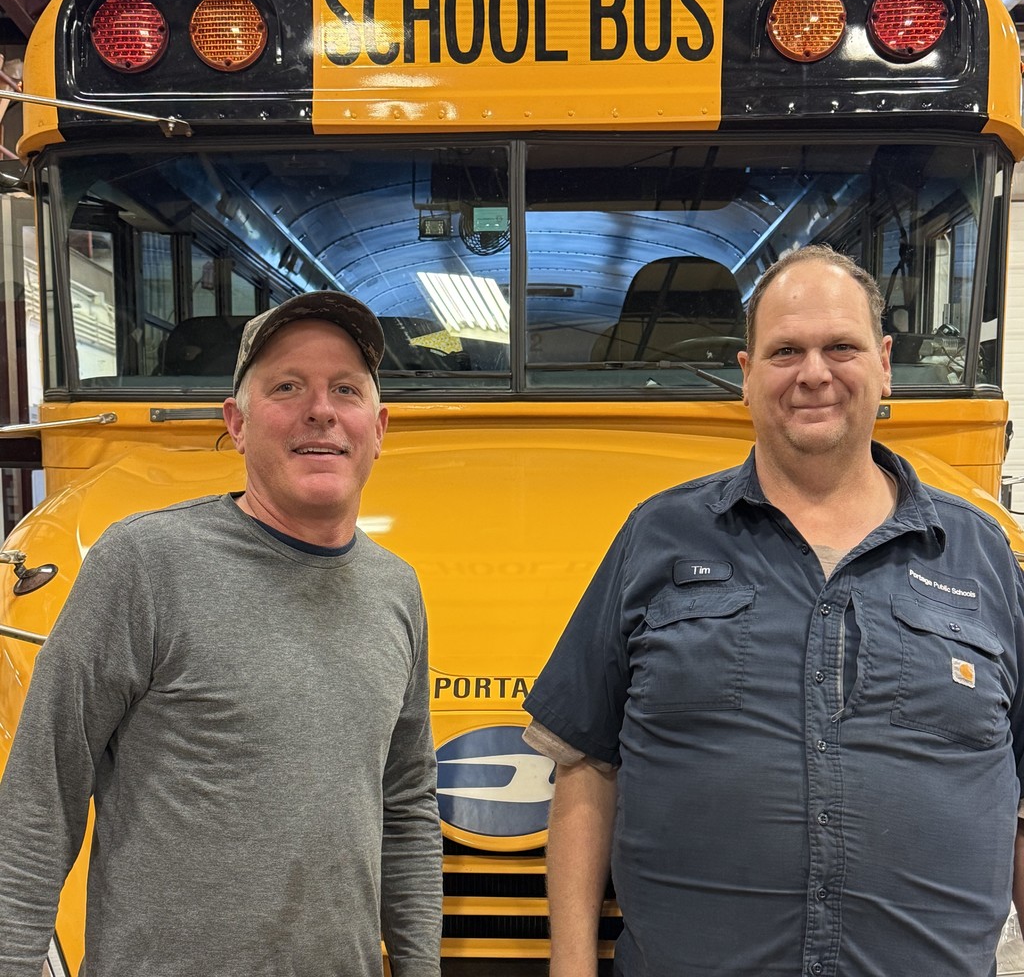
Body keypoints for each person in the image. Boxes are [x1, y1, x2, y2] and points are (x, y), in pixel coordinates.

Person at [523, 245, 1024, 977]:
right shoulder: (657, 536)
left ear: (885, 363)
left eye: (841, 347)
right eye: (785, 351)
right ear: (746, 374)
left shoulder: (983, 553)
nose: (814, 373)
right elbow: (586, 766)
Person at [0, 291, 442, 976]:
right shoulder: (144, 563)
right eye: (287, 387)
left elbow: (407, 804)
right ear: (236, 422)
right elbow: (41, 793)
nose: (320, 410)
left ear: (377, 428)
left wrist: (420, 967)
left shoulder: (397, 590)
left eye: (345, 389)